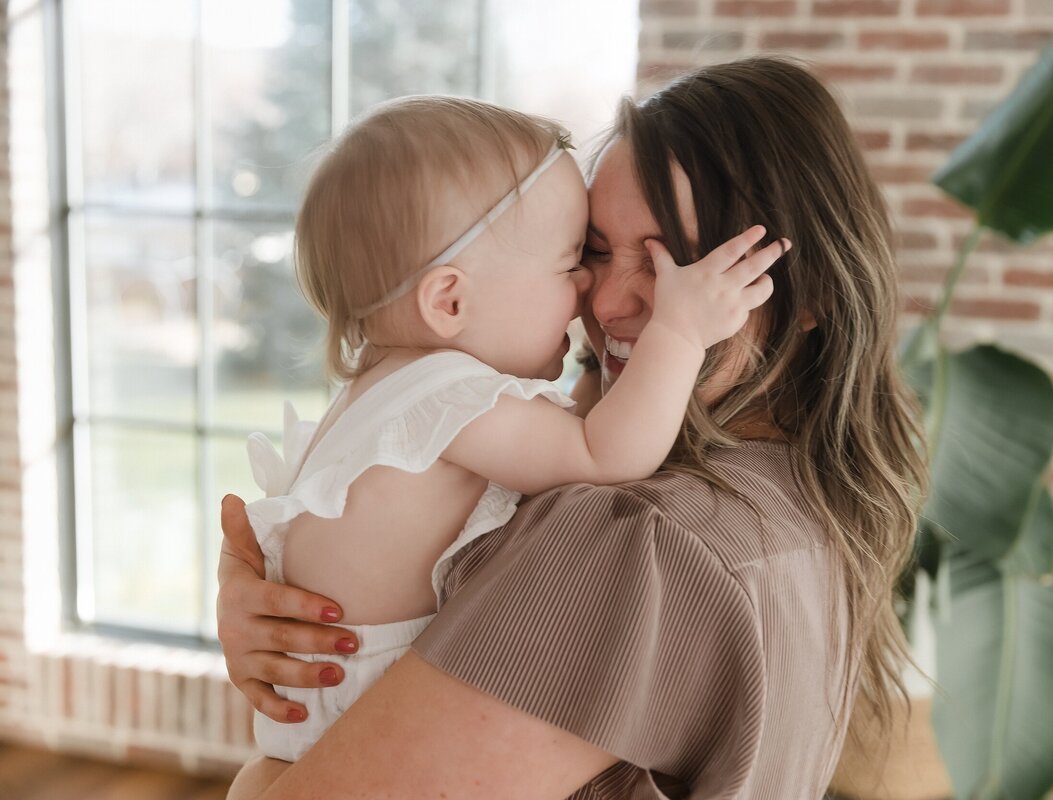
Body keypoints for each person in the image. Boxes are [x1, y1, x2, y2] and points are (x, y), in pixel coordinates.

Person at [217, 55, 929, 799]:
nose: (607, 300)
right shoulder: (808, 503)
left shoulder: (636, 541)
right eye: (590, 251)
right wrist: (300, 590)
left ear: (808, 292)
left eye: (672, 266)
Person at [240, 95, 784, 766]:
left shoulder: (392, 390)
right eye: (572, 262)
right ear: (451, 301)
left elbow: (580, 419)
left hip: (326, 705)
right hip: (362, 700)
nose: (592, 291)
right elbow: (605, 451)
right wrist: (678, 330)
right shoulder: (450, 400)